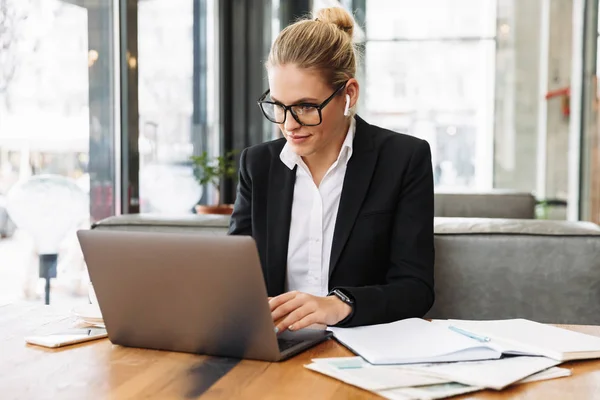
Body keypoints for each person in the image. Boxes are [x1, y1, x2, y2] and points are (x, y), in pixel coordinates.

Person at [228, 7, 434, 332]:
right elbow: (234, 273)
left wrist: (337, 305)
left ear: (348, 95)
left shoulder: (404, 160)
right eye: (278, 106)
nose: (288, 124)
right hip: (276, 347)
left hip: (358, 348)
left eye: (306, 107)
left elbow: (415, 289)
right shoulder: (258, 165)